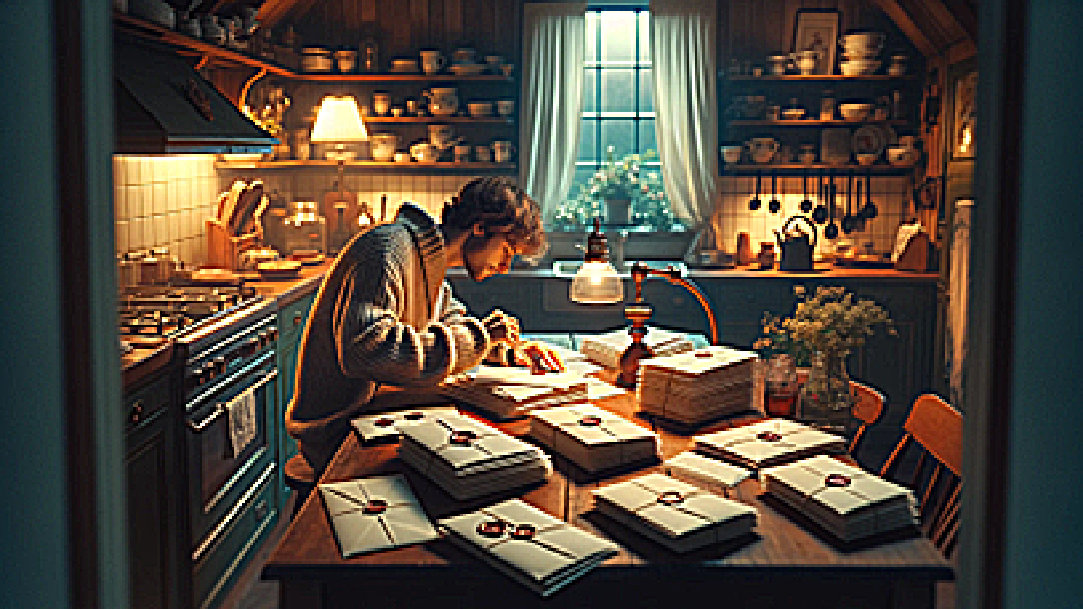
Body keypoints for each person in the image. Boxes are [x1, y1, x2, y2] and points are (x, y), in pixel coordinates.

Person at [286, 176, 563, 474]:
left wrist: (503, 349)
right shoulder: (388, 250)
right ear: (480, 227)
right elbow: (368, 350)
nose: (505, 267)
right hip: (338, 433)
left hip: (373, 416)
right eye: (507, 251)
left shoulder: (429, 265)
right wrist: (480, 337)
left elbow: (449, 324)